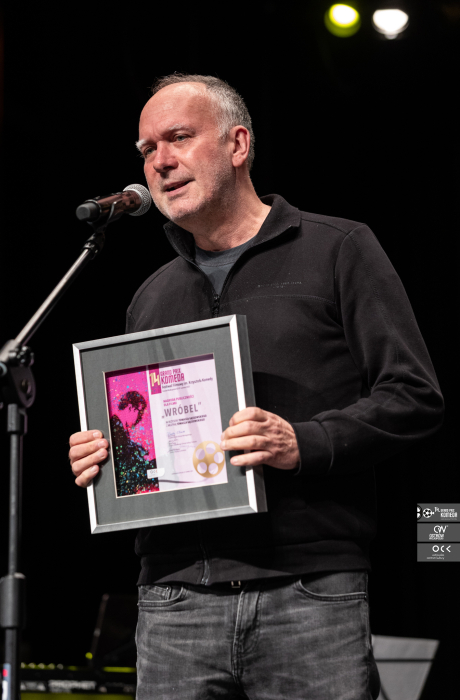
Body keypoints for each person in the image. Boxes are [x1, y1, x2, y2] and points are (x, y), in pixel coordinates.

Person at [69, 74, 444, 700]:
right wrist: (110, 456)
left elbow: (414, 396)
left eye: (179, 138)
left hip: (308, 594)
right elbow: (150, 443)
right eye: (146, 149)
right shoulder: (152, 295)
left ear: (238, 144)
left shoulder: (338, 249)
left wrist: (304, 442)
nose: (160, 161)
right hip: (172, 601)